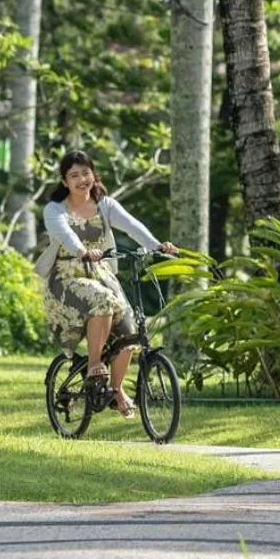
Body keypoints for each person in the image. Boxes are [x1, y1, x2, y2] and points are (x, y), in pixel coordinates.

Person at [34, 150, 177, 418]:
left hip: (101, 274)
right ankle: (94, 365)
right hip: (67, 276)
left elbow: (132, 226)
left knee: (128, 330)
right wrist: (82, 251)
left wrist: (157, 245)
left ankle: (115, 390)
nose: (81, 180)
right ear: (64, 181)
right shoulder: (54, 209)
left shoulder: (105, 205)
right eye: (74, 176)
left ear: (94, 175)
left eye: (85, 173)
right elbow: (64, 234)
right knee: (101, 300)